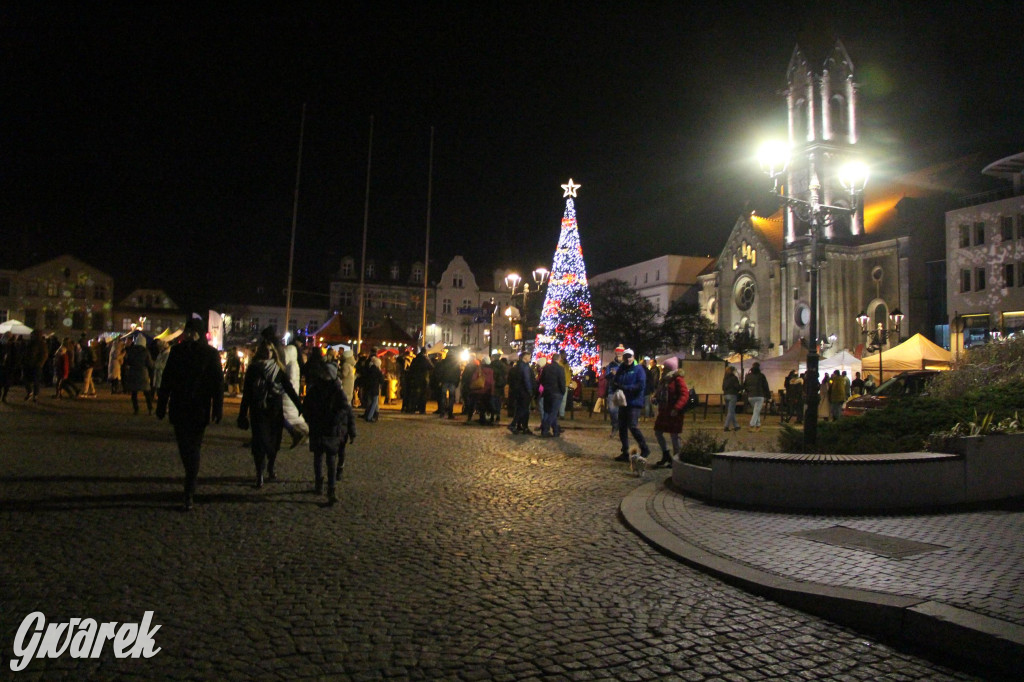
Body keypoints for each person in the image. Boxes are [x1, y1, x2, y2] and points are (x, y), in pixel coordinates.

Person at [155, 318, 224, 511]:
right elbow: (167, 380)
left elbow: (217, 383)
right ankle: (190, 479)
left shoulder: (210, 354)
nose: (190, 335)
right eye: (189, 331)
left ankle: (189, 489)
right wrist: (161, 405)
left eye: (194, 331)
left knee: (193, 447)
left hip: (199, 408)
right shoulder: (177, 352)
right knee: (185, 448)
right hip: (179, 406)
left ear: (200, 333)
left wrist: (218, 408)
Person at [237, 336, 302, 488]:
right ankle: (259, 473)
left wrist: (299, 405)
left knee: (274, 442)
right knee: (259, 443)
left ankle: (270, 467)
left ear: (274, 352)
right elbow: (247, 393)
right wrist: (242, 414)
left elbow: (288, 388)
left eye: (271, 350)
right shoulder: (254, 369)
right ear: (260, 351)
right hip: (258, 410)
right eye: (266, 350)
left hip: (274, 410)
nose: (268, 352)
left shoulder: (278, 368)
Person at [302, 348, 356, 505]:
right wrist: (347, 428)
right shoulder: (337, 392)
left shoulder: (314, 390)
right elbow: (346, 411)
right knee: (330, 460)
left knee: (318, 457)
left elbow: (306, 408)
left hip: (319, 428)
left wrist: (310, 420)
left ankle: (320, 483)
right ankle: (330, 488)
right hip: (331, 429)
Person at [612, 349, 650, 473]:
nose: (628, 359)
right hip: (623, 402)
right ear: (623, 357)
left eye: (630, 357)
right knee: (622, 427)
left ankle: (644, 448)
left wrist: (625, 388)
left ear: (633, 357)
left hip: (634, 402)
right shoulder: (622, 368)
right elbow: (616, 380)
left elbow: (640, 386)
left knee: (632, 426)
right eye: (626, 357)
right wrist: (615, 384)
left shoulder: (639, 369)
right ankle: (625, 451)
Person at [652, 357, 688, 468]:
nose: (663, 369)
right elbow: (660, 392)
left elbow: (684, 394)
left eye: (666, 367)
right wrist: (656, 398)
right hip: (664, 410)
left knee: (674, 435)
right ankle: (666, 454)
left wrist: (677, 408)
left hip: (673, 412)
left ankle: (676, 460)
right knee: (658, 432)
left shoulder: (677, 379)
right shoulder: (664, 379)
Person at [282, 339, 310, 446]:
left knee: (294, 418)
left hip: (288, 394)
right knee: (292, 417)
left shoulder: (292, 365)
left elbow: (291, 380)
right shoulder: (292, 364)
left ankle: (307, 433)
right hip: (287, 394)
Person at [122, 333, 154, 414]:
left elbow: (128, 361)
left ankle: (136, 409)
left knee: (134, 393)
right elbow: (149, 363)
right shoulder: (146, 351)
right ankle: (150, 408)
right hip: (143, 373)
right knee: (147, 392)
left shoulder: (131, 351)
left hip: (133, 372)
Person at [507, 351, 535, 434]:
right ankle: (514, 424)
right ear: (525, 358)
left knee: (521, 409)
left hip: (517, 392)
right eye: (529, 357)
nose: (530, 358)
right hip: (525, 392)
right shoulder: (525, 367)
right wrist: (530, 391)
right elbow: (527, 380)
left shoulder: (516, 367)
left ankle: (521, 426)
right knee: (523, 409)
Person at [539, 352, 566, 437]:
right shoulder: (560, 369)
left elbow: (541, 379)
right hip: (556, 392)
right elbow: (562, 381)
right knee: (553, 412)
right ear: (559, 359)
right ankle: (545, 430)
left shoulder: (546, 368)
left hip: (547, 392)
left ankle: (555, 430)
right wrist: (563, 391)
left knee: (547, 412)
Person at [743, 361, 770, 431]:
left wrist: (748, 391)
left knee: (756, 411)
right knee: (756, 411)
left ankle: (758, 425)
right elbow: (765, 386)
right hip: (759, 395)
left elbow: (745, 385)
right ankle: (752, 425)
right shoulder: (761, 376)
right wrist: (768, 395)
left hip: (751, 396)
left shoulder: (748, 376)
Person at [361, 355, 384, 422]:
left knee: (372, 402)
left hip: (369, 388)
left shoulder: (369, 369)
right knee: (374, 403)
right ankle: (369, 416)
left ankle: (375, 414)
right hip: (375, 388)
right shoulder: (377, 371)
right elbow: (381, 380)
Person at [722, 365, 741, 431]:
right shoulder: (734, 378)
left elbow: (723, 387)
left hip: (726, 395)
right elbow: (737, 387)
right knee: (730, 411)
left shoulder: (725, 378)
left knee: (731, 411)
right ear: (733, 371)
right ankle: (726, 426)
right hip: (732, 395)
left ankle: (736, 425)